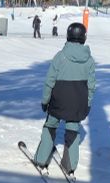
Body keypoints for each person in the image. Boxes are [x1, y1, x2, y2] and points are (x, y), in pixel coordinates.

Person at [34, 22, 96, 174]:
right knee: (73, 130)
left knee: (50, 125)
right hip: (77, 103)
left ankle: (41, 159)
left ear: (69, 36)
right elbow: (91, 86)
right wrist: (87, 104)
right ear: (83, 38)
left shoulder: (60, 56)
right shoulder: (89, 60)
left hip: (58, 101)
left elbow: (49, 81)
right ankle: (69, 165)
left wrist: (45, 100)